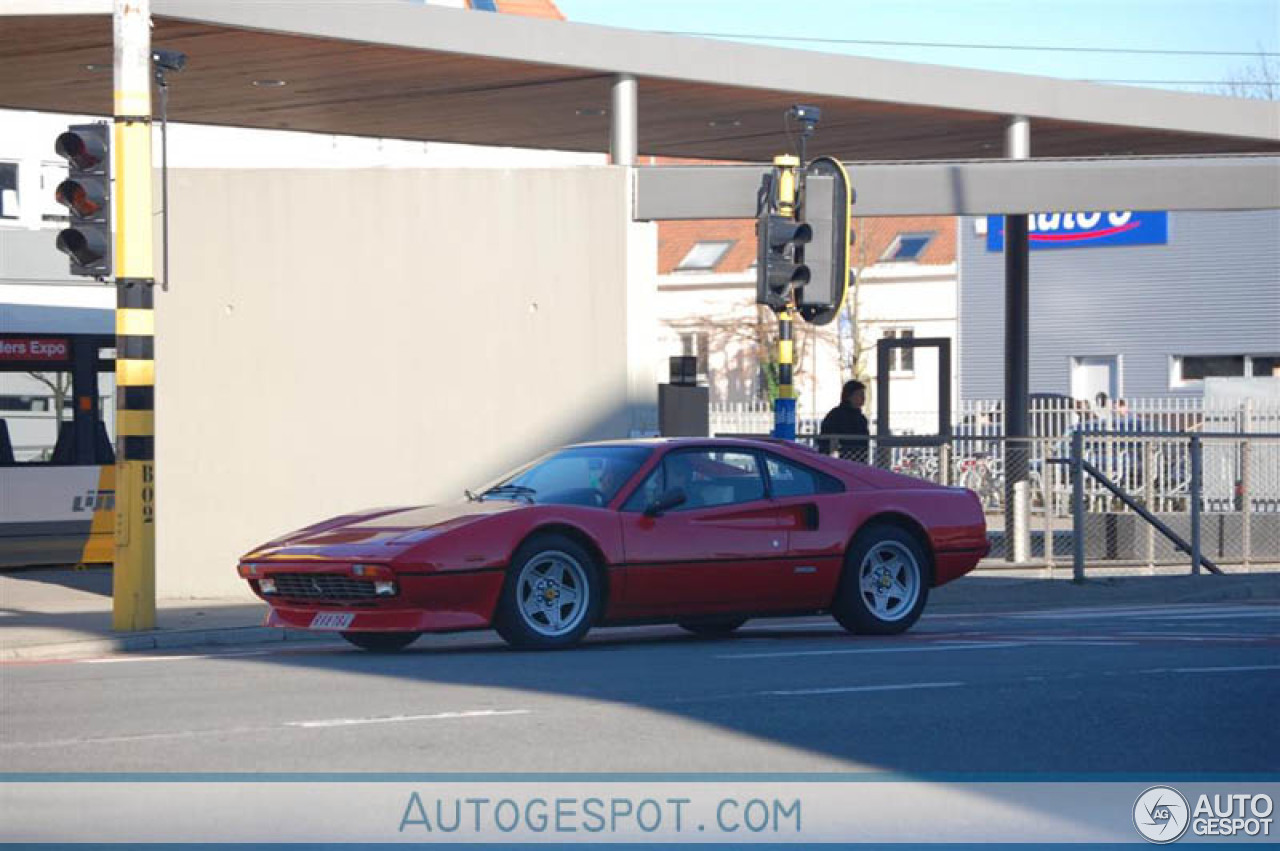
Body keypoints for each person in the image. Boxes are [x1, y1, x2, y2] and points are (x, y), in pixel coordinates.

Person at [818, 379, 870, 462]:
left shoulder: (861, 418)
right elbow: (827, 440)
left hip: (859, 459)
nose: (863, 398)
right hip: (840, 460)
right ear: (849, 396)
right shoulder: (836, 416)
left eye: (863, 394)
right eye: (859, 394)